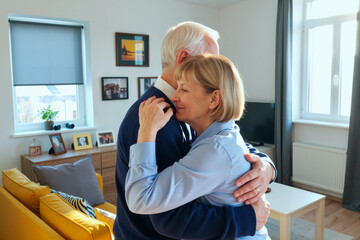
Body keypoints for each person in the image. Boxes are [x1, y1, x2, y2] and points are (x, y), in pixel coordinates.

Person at [114, 21, 276, 240]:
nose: (216, 68)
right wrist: (247, 219)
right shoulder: (156, 120)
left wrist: (265, 166)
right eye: (209, 60)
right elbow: (168, 218)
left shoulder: (188, 113)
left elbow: (227, 141)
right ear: (184, 60)